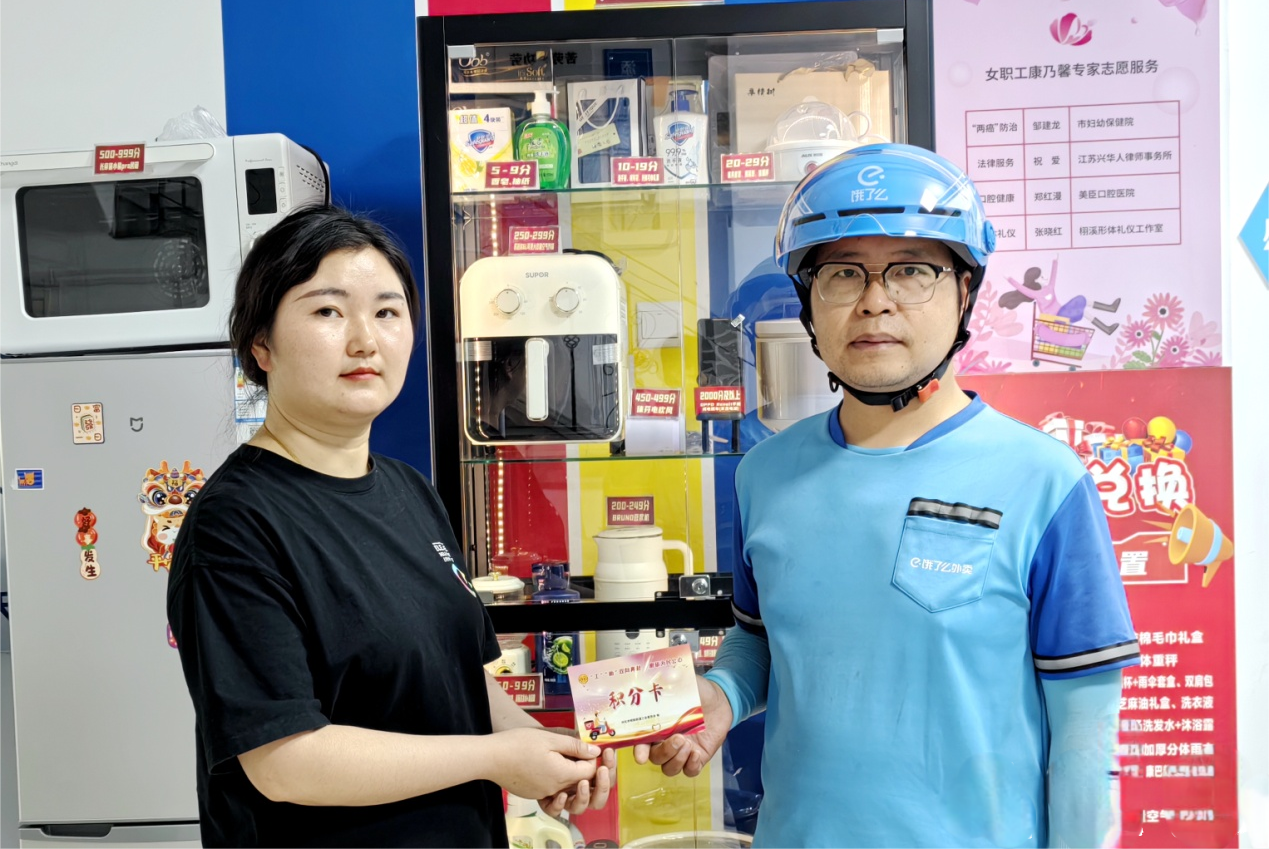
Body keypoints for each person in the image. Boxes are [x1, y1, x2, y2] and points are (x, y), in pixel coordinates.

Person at [636, 144, 1141, 848]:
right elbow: (761, 640)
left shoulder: (1045, 481)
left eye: (910, 270)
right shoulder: (764, 473)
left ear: (964, 292)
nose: (874, 299)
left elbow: (1085, 738)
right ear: (808, 302)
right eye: (842, 273)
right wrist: (721, 695)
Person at [167, 205, 614, 848]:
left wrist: (542, 748)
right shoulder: (235, 524)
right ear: (261, 345)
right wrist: (495, 758)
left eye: (387, 311)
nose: (364, 340)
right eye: (328, 311)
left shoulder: (408, 489)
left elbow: (459, 678)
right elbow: (285, 761)